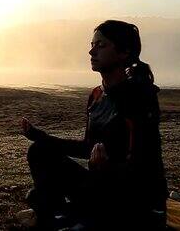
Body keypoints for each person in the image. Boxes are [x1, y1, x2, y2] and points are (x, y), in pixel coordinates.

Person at [20, 20, 168, 230]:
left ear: (124, 52)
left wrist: (109, 168)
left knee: (41, 197)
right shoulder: (97, 95)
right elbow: (87, 146)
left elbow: (144, 165)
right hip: (101, 185)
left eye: (101, 45)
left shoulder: (140, 98)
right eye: (92, 45)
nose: (91, 51)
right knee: (39, 151)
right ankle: (59, 215)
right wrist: (41, 136)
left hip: (134, 198)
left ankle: (70, 216)